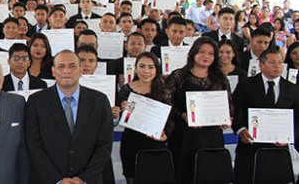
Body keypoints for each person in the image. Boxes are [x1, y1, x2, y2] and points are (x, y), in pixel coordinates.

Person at [25, 50, 114, 183]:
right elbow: (34, 145)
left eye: (72, 66)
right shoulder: (36, 102)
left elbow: (105, 145)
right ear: (53, 71)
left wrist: (83, 179)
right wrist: (58, 180)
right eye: (61, 66)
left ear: (80, 70)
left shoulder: (99, 101)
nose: (67, 71)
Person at [165, 37, 231, 183]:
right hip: (184, 136)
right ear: (193, 53)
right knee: (184, 174)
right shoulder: (179, 76)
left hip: (212, 137)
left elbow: (229, 104)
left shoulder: (220, 79)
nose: (206, 56)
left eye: (211, 53)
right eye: (202, 52)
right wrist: (182, 114)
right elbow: (167, 102)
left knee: (210, 175)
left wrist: (227, 118)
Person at [232, 47, 299, 183]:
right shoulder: (246, 85)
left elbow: (297, 119)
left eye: (280, 62)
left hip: (279, 149)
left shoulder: (292, 89)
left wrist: (290, 137)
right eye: (273, 62)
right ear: (261, 65)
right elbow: (233, 110)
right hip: (249, 148)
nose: (277, 66)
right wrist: (240, 130)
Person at [116, 52, 173, 184]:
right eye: (142, 66)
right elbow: (117, 117)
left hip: (155, 143)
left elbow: (171, 117)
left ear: (156, 70)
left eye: (151, 67)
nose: (146, 71)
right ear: (135, 68)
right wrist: (121, 109)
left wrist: (166, 135)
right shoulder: (126, 90)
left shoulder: (164, 90)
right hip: (131, 142)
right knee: (132, 178)